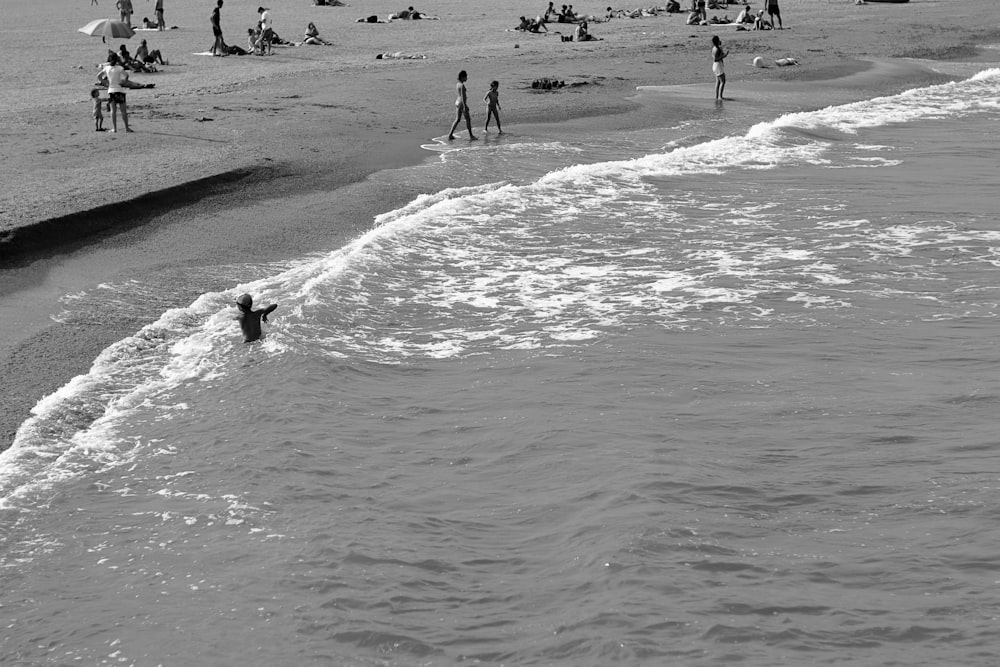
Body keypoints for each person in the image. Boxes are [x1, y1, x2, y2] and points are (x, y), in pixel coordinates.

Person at [100, 53, 133, 132]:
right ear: (117, 59)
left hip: (111, 91)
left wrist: (105, 83)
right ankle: (126, 128)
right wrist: (124, 82)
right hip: (120, 90)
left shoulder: (106, 68)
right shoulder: (119, 68)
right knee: (123, 111)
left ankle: (114, 128)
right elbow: (127, 75)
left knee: (113, 111)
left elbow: (98, 76)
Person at [448, 70, 477, 141]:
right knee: (468, 119)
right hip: (461, 103)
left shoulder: (458, 84)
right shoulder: (462, 85)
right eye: (466, 77)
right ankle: (471, 136)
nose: (467, 78)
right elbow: (463, 97)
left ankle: (450, 134)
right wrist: (465, 106)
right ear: (462, 77)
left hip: (457, 101)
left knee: (457, 119)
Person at [711, 35, 728, 100]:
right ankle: (720, 97)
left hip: (715, 66)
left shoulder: (714, 48)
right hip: (718, 65)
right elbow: (716, 58)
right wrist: (724, 55)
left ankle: (717, 96)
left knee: (718, 81)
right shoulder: (717, 49)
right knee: (723, 82)